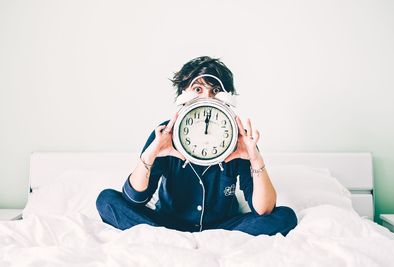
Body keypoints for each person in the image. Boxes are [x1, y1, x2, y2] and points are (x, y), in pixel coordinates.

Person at [96, 56, 297, 236]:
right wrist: (151, 155)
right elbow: (135, 200)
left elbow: (264, 210)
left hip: (222, 228)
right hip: (168, 225)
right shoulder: (165, 134)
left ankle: (208, 243)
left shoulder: (239, 140)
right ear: (183, 95)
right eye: (198, 89)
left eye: (215, 90)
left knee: (285, 216)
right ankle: (173, 241)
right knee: (106, 200)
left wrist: (255, 159)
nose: (207, 98)